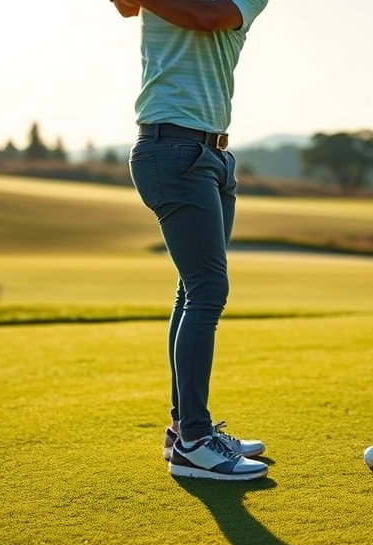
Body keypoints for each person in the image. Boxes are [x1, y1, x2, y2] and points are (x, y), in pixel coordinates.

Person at [113, 0, 269, 481]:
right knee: (207, 291)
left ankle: (185, 429)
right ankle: (194, 442)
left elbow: (207, 16)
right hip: (171, 147)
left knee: (193, 289)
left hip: (214, 155)